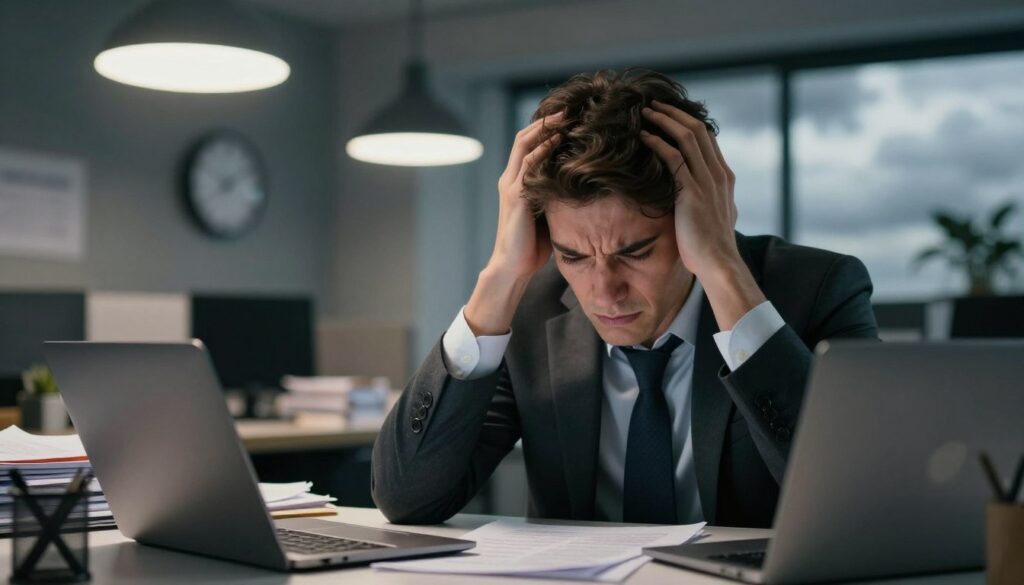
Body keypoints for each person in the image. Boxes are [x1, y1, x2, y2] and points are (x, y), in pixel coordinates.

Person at [371, 69, 878, 528]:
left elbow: (859, 500)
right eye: (573, 256)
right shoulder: (526, 309)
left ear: (701, 220)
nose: (603, 291)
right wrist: (501, 273)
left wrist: (722, 267)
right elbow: (407, 499)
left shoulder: (820, 290)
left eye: (635, 252)